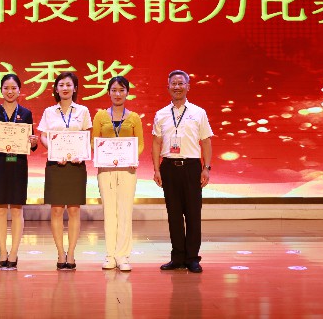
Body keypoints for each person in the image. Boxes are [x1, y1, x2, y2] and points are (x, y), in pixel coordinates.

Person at [152, 69, 214, 273]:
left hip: (191, 167)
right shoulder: (161, 114)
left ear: (188, 86)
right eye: (173, 83)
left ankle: (192, 258)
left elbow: (206, 141)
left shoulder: (199, 112)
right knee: (174, 215)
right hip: (169, 167)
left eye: (181, 83)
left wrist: (206, 168)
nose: (177, 87)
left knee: (193, 214)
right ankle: (177, 257)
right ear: (168, 87)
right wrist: (156, 169)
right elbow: (156, 142)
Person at [0, 73, 38, 270]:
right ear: (1, 90)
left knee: (17, 209)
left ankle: (13, 252)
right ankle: (2, 252)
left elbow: (32, 143)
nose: (10, 91)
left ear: (19, 91)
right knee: (0, 209)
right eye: (6, 88)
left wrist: (33, 142)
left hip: (18, 164)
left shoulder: (26, 113)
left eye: (14, 88)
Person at [38, 72, 92, 270]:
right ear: (56, 89)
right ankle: (61, 253)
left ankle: (72, 253)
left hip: (76, 166)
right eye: (61, 85)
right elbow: (43, 136)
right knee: (56, 210)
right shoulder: (49, 112)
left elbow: (87, 136)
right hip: (56, 165)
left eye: (69, 85)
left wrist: (82, 153)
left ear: (75, 88)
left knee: (74, 210)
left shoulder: (83, 111)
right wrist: (53, 150)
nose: (65, 88)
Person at [91, 76, 144, 272]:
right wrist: (104, 154)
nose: (118, 94)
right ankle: (110, 255)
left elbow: (140, 144)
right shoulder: (100, 116)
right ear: (108, 93)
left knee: (125, 211)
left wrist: (131, 157)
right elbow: (94, 142)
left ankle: (123, 255)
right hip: (105, 170)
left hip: (127, 170)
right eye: (114, 90)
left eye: (121, 90)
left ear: (127, 93)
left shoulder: (134, 117)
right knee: (109, 211)